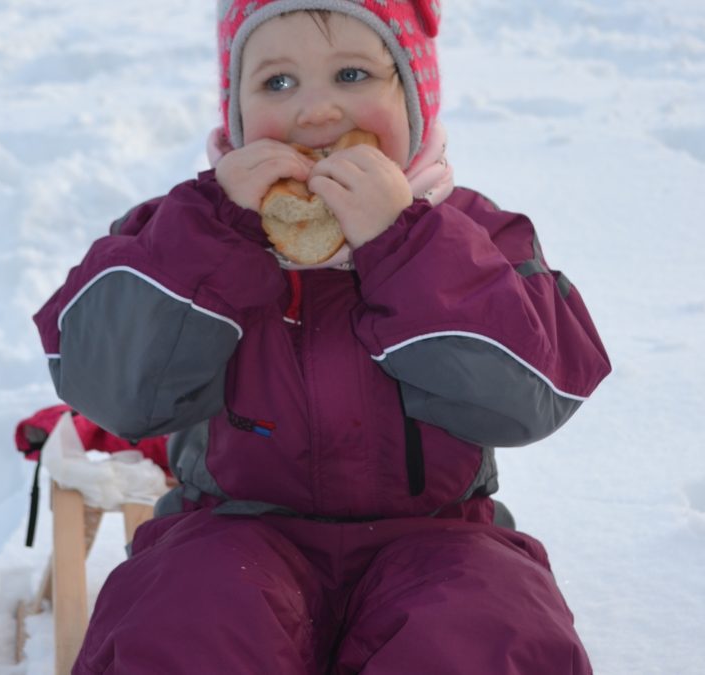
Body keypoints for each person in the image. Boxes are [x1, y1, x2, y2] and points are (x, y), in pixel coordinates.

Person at [33, 1, 612, 672]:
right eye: (278, 83)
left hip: (439, 539)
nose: (316, 112)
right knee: (183, 620)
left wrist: (405, 246)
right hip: (230, 532)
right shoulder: (183, 232)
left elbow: (530, 394)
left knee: (485, 628)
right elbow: (112, 388)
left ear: (415, 96)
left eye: (352, 75)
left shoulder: (477, 236)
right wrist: (213, 234)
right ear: (237, 110)